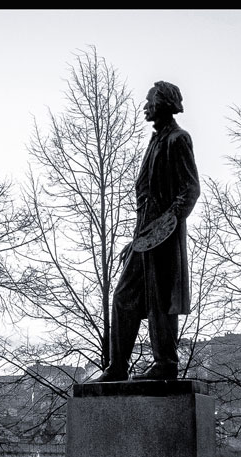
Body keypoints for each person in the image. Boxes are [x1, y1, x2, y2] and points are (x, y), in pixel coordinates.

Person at [95, 80, 200, 382]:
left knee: (159, 300)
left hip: (164, 239)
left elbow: (190, 190)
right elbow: (147, 201)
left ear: (163, 103)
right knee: (123, 297)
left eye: (149, 100)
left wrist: (165, 227)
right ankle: (118, 365)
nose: (145, 106)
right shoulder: (155, 142)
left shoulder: (178, 139)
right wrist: (138, 238)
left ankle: (165, 362)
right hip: (146, 239)